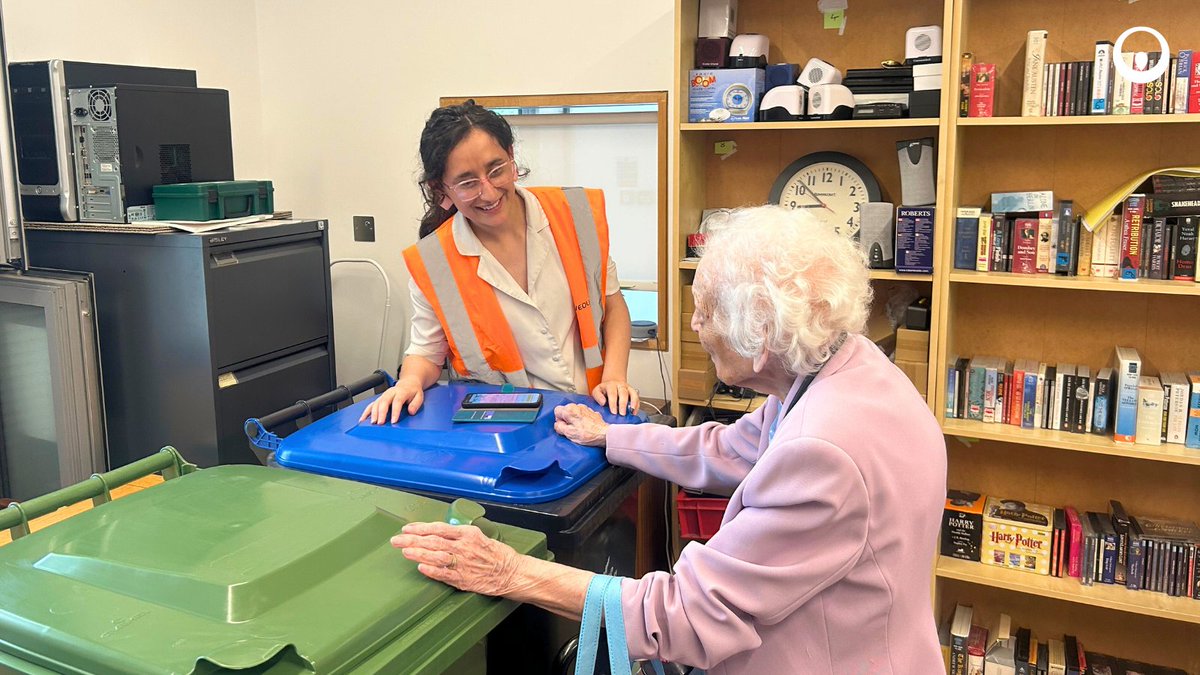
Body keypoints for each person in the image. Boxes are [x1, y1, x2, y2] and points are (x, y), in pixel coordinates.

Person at [392, 205, 947, 674]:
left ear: (760, 336)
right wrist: (612, 436)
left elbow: (683, 614)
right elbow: (731, 449)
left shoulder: (823, 452)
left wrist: (510, 571)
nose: (696, 326)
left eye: (706, 311)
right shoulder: (843, 367)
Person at [361, 101, 639, 425]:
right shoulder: (434, 263)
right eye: (468, 183)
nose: (489, 192)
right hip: (506, 428)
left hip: (594, 413)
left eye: (496, 170)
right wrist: (408, 382)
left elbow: (613, 305)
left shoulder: (573, 213)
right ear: (441, 189)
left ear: (511, 156)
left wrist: (615, 377)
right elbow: (426, 351)